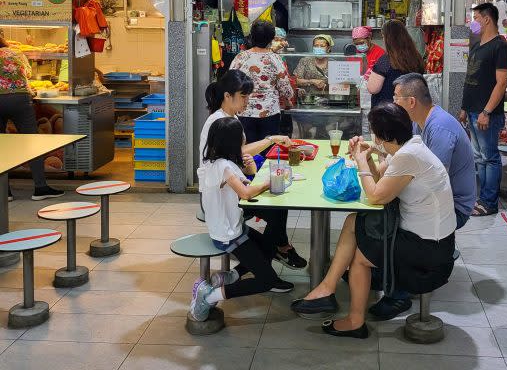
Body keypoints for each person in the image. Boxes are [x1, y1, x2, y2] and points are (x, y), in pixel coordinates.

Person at [290, 103, 456, 339]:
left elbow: (376, 196)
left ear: (382, 135)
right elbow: (381, 184)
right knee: (354, 221)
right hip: (431, 239)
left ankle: (352, 317)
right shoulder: (411, 147)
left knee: (359, 258)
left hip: (429, 249)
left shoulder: (408, 156)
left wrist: (360, 161)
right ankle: (327, 289)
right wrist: (368, 157)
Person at [354, 73, 475, 321]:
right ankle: (373, 274)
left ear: (410, 101)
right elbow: (404, 165)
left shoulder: (438, 128)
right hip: (432, 208)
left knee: (376, 218)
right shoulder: (421, 124)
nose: (393, 102)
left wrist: (367, 163)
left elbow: (416, 174)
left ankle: (397, 291)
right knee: (363, 219)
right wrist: (379, 153)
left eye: (396, 97)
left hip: (452, 209)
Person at [189, 117, 295, 322]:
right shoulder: (224, 167)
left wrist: (249, 170)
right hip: (229, 235)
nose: (245, 140)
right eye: (242, 137)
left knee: (269, 247)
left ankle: (231, 276)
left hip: (233, 228)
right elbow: (246, 193)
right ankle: (209, 296)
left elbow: (245, 182)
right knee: (267, 280)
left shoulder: (217, 162)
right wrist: (270, 182)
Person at [200, 71, 305, 268]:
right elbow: (237, 152)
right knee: (276, 210)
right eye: (243, 96)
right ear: (227, 96)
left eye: (248, 96)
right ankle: (275, 252)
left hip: (234, 183)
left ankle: (273, 251)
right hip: (221, 192)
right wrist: (271, 139)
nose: (247, 101)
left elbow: (238, 156)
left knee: (278, 206)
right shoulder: (217, 121)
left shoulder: (231, 116)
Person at [460, 2, 507, 216]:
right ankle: (481, 198)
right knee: (479, 157)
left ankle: (489, 202)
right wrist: (464, 107)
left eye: (476, 18)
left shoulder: (500, 46)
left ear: (487, 19)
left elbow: (501, 83)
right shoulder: (477, 46)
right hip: (472, 110)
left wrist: (487, 111)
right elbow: (470, 78)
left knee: (490, 157)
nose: (474, 23)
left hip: (486, 113)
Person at [0, 33, 64, 201]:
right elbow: (27, 74)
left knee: (1, 146)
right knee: (32, 143)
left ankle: (4, 193)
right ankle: (40, 188)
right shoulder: (15, 53)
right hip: (20, 99)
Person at [368, 20, 424, 108]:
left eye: (383, 36)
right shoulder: (416, 57)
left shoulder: (386, 60)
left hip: (387, 113)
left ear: (388, 38)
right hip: (410, 110)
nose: (383, 40)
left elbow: (373, 89)